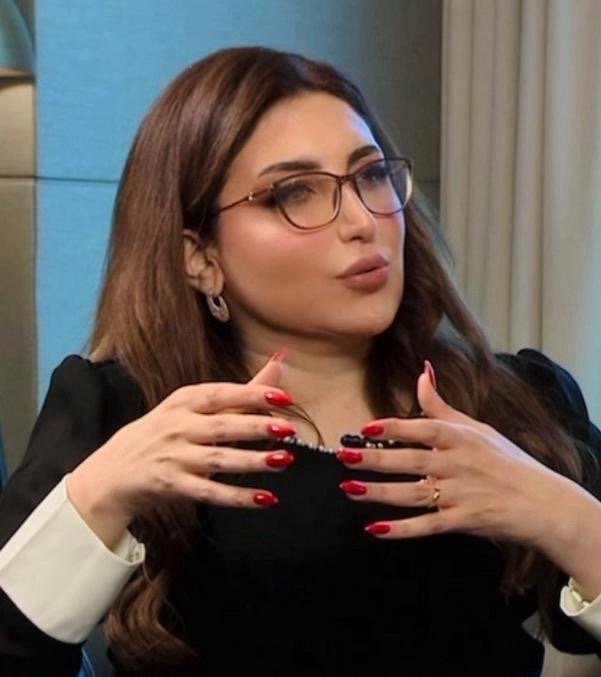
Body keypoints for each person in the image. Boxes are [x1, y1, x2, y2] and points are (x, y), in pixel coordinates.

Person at [0, 46, 600, 677]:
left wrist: (561, 514)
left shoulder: (515, 400)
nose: (362, 221)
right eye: (295, 192)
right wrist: (98, 494)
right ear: (199, 256)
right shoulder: (121, 413)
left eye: (371, 175)